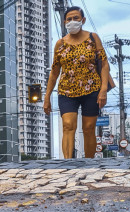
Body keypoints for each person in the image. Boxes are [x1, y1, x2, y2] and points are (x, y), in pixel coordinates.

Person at [43, 6, 113, 159]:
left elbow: (104, 63)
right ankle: (68, 164)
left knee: (88, 128)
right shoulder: (60, 44)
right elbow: (54, 72)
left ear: (83, 20)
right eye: (69, 19)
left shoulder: (93, 38)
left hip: (91, 89)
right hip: (67, 91)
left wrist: (102, 90)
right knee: (68, 125)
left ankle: (89, 162)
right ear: (64, 22)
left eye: (76, 18)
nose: (72, 21)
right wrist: (47, 97)